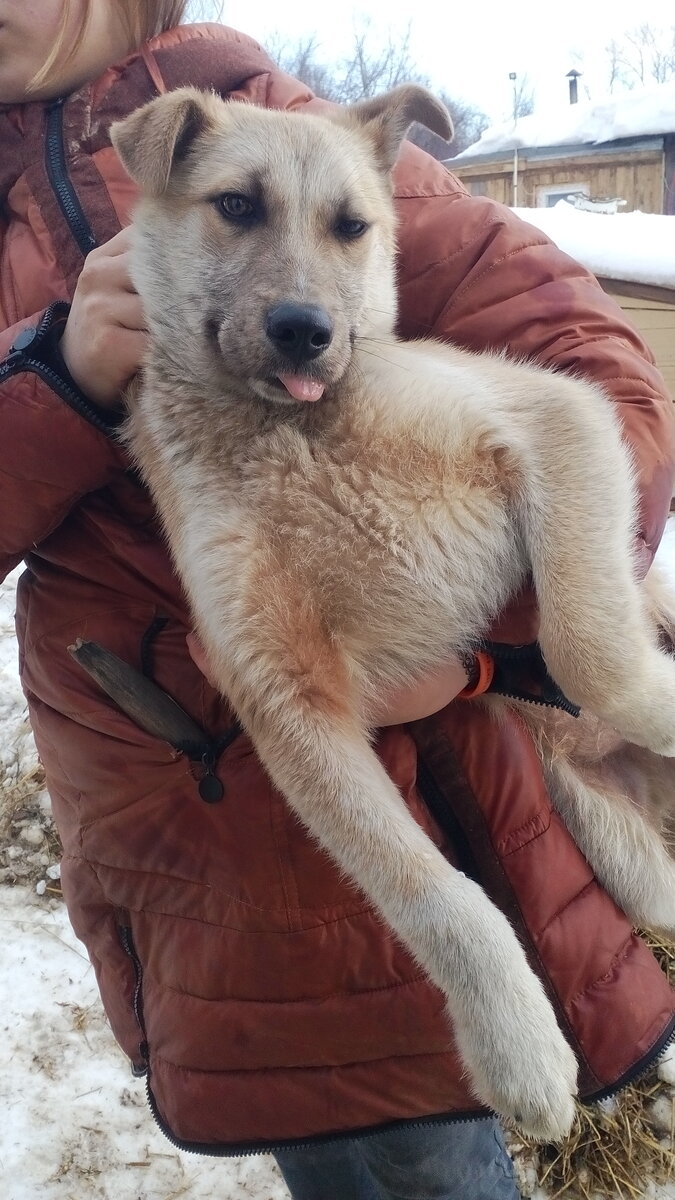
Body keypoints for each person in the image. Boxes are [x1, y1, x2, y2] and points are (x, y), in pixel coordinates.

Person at [1, 3, 674, 1197]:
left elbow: (593, 380)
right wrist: (46, 376)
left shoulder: (306, 133)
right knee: (331, 1146)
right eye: (241, 216)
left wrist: (522, 648)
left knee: (417, 1144)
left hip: (409, 815)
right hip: (178, 845)